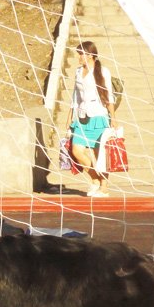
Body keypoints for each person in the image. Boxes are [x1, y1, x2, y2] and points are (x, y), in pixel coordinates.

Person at [64, 41, 117, 197]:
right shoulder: (78, 72)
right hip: (81, 117)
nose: (79, 57)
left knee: (99, 154)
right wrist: (69, 118)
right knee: (76, 150)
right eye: (79, 53)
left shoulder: (103, 71)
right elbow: (75, 96)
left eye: (82, 54)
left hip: (98, 116)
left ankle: (104, 188)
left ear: (91, 54)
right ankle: (95, 179)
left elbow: (109, 95)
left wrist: (113, 117)